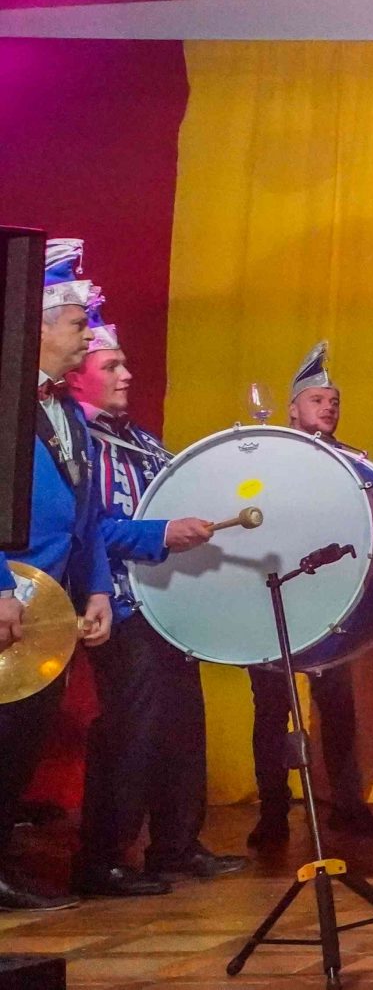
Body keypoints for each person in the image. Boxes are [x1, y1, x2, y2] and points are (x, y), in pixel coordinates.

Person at [67, 290, 232, 895]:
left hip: (166, 605)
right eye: (111, 365)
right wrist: (161, 532)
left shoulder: (140, 440)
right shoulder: (74, 440)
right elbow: (85, 529)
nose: (127, 374)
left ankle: (176, 843)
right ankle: (104, 857)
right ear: (78, 374)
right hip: (112, 600)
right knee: (131, 727)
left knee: (183, 721)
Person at [0, 242, 114, 910]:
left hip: (51, 604)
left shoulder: (68, 411)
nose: (88, 336)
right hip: (10, 596)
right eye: (77, 323)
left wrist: (96, 587)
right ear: (38, 326)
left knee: (24, 736)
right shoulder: (7, 398)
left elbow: (87, 513)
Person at [250, 342, 373, 849]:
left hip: (329, 600)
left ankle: (347, 804)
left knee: (337, 705)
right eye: (318, 399)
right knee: (270, 707)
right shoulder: (266, 454)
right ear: (293, 408)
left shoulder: (352, 462)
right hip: (272, 596)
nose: (328, 407)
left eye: (334, 401)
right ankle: (272, 810)